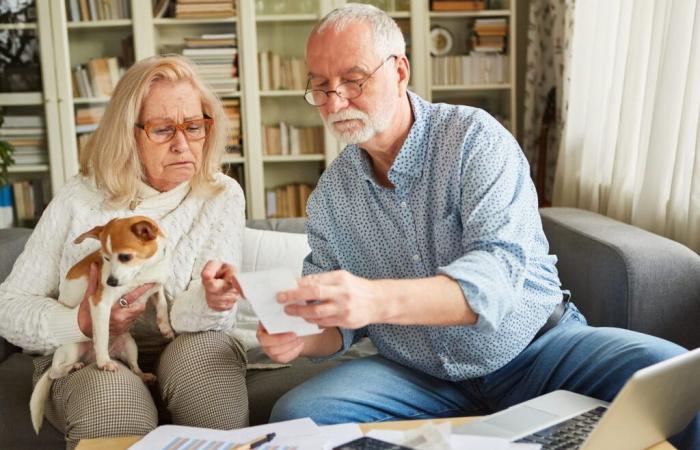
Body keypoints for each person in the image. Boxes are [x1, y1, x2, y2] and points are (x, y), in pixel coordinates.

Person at [257, 4, 698, 449]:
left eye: (353, 80)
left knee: (677, 376)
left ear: (400, 71)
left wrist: (373, 300)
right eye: (320, 85)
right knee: (298, 416)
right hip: (421, 377)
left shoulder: (474, 139)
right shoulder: (332, 196)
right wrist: (299, 338)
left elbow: (495, 279)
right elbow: (337, 326)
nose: (335, 101)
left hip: (536, 351)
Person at [0, 56, 248, 449]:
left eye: (194, 126)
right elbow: (9, 307)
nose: (183, 144)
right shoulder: (81, 196)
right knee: (113, 405)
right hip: (88, 351)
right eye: (163, 129)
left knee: (208, 380)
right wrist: (80, 323)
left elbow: (201, 318)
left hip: (185, 342)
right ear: (128, 134)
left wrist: (213, 300)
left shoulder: (221, 195)